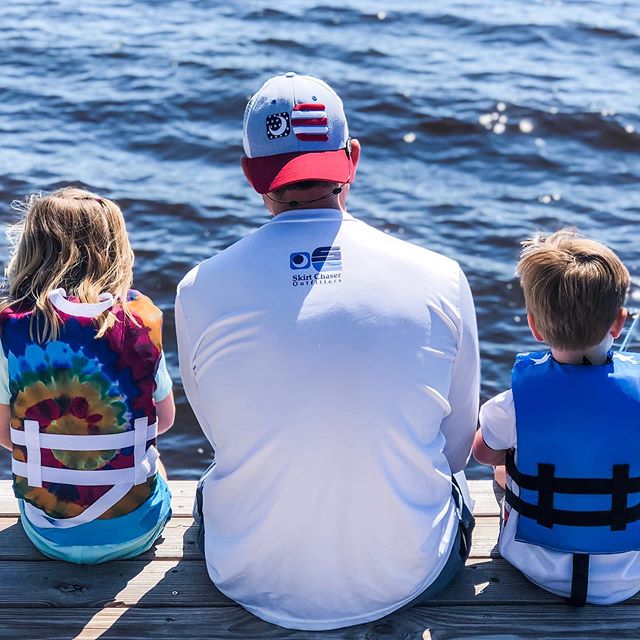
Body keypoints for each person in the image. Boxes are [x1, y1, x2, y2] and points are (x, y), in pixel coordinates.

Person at [176, 73, 479, 630]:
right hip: (406, 577)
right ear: (352, 159)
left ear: (250, 175)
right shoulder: (441, 277)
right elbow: (457, 447)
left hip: (245, 574)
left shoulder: (199, 287)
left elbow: (223, 432)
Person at [0, 187, 175, 564]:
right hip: (134, 531)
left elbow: (3, 433)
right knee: (153, 458)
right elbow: (164, 419)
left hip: (47, 533)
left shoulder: (9, 328)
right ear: (116, 249)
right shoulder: (140, 321)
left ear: (30, 248)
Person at [473, 229, 640, 606]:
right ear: (618, 322)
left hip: (535, 566)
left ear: (534, 326)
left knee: (505, 466)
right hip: (629, 575)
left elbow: (482, 453)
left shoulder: (514, 402)